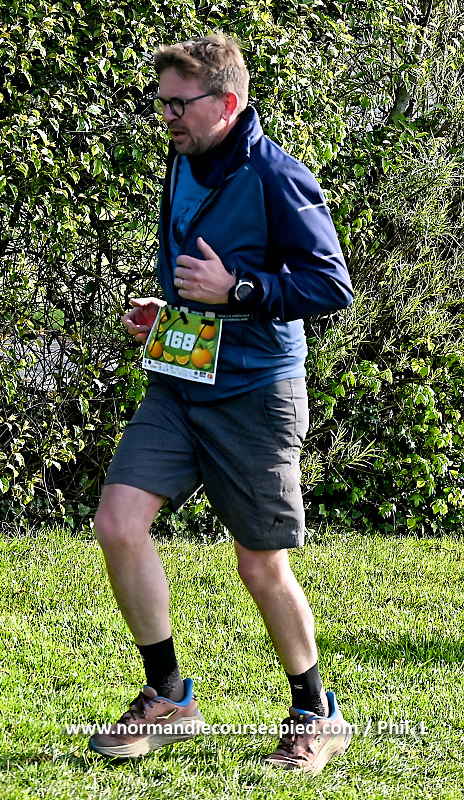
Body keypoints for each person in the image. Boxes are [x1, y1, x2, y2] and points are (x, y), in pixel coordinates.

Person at [89, 33, 354, 774]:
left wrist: (238, 291)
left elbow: (331, 285)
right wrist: (167, 309)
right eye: (162, 103)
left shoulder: (276, 176)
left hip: (256, 394)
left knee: (260, 565)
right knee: (118, 524)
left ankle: (318, 713)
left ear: (226, 103)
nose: (167, 116)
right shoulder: (184, 159)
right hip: (180, 380)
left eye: (180, 104)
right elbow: (193, 266)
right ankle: (170, 699)